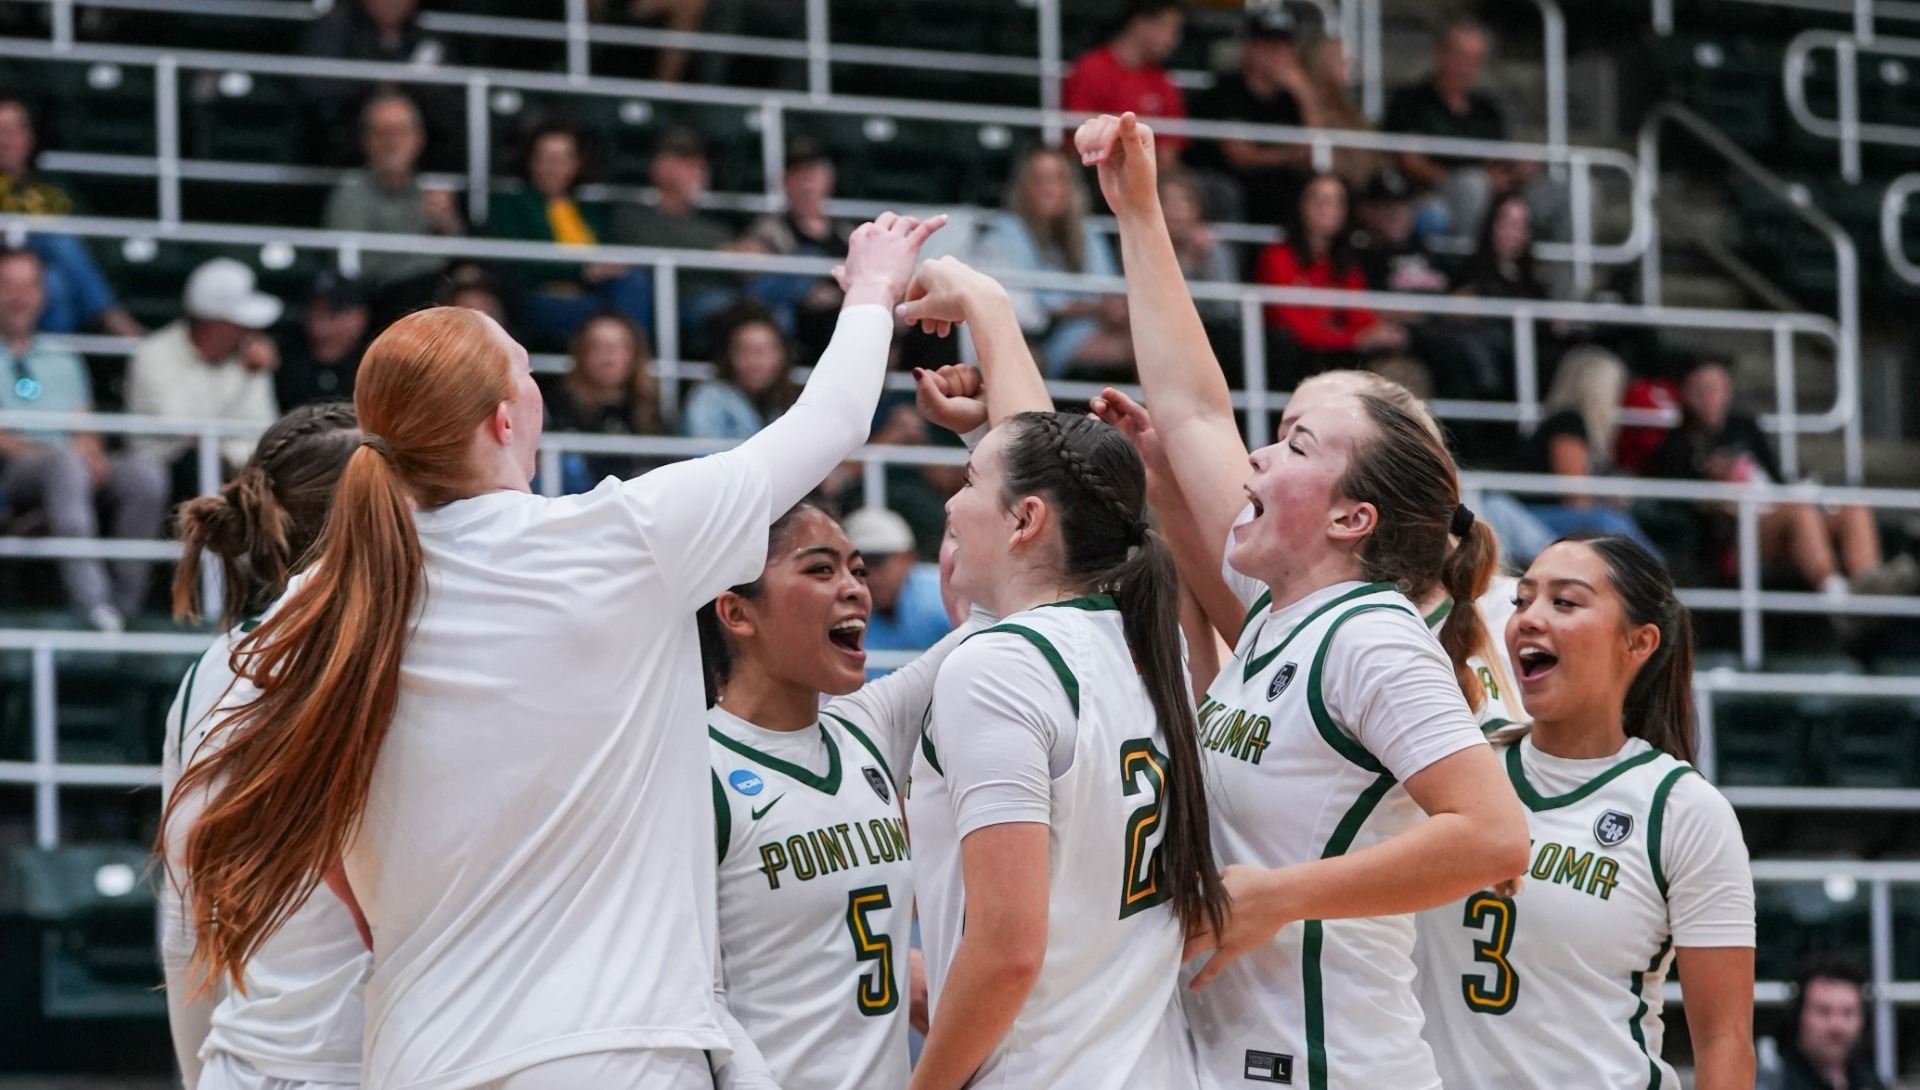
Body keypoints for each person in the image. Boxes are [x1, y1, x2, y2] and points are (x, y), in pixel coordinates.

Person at [166, 212, 941, 1090]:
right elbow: (833, 421)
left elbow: (330, 858)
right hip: (611, 1050)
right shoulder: (615, 540)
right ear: (506, 419)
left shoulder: (328, 598)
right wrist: (873, 284)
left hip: (423, 1055)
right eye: (530, 369)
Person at [1077, 111, 1529, 1090]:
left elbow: (1495, 837)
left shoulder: (1370, 638)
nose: (1260, 456)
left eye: (1294, 443)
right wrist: (1140, 211)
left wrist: (1279, 895)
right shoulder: (1283, 613)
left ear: (1351, 519)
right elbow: (1195, 408)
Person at [891, 254, 1227, 1089]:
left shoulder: (999, 666)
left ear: (1026, 521)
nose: (949, 504)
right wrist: (989, 314)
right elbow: (1044, 466)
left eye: (968, 482)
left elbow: (1007, 952)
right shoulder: (1146, 644)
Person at [1413, 533, 1757, 1090]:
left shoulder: (1682, 809)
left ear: (1638, 642)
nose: (1529, 618)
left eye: (1565, 602)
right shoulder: (1460, 771)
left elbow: (1725, 1043)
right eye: (1522, 600)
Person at [698, 500, 983, 1090]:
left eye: (857, 569)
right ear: (736, 612)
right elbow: (696, 995)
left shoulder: (864, 728)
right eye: (821, 570)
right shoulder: (697, 768)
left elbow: (1004, 617)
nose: (856, 588)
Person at [160, 402, 369, 1090]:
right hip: (376, 1061)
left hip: (245, 1061)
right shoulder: (412, 655)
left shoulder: (206, 675)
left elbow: (187, 925)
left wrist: (198, 1076)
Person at [1647, 359, 1917, 604]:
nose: (1711, 398)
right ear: (1687, 395)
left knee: (1852, 507)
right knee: (1796, 511)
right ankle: (1834, 595)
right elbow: (1679, 508)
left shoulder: (1745, 428)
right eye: (1703, 390)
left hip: (1774, 514)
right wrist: (1714, 485)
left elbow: (1775, 478)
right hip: (1731, 537)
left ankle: (1867, 584)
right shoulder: (1675, 445)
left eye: (1718, 389)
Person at [0, 247, 165, 631]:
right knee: (65, 464)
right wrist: (64, 454)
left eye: (28, 286)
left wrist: (91, 453)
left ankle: (126, 606)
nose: (19, 297)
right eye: (7, 285)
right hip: (14, 475)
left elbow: (84, 423)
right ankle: (92, 605)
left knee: (144, 476)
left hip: (69, 468)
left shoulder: (64, 357)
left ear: (43, 294)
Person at [126, 258, 283, 495]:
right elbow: (182, 430)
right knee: (196, 464)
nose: (251, 331)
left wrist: (230, 456)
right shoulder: (154, 354)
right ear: (216, 325)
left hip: (237, 470)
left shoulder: (250, 359)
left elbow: (263, 433)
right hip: (167, 470)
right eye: (241, 323)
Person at [490, 121, 654, 343]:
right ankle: (624, 351)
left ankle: (628, 353)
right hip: (542, 297)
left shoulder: (589, 209)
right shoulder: (512, 203)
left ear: (575, 164)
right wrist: (581, 271)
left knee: (633, 281)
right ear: (531, 161)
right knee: (612, 317)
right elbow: (515, 264)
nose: (552, 166)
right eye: (544, 157)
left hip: (591, 293)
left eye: (561, 159)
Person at [976, 147, 1130, 378]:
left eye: (1058, 179)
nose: (1048, 188)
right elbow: (1034, 305)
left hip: (1094, 326)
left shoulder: (1089, 231)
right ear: (1023, 187)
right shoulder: (1007, 228)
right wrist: (1097, 308)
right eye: (1039, 180)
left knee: (1151, 338)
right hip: (1040, 336)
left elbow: (1107, 290)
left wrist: (1115, 308)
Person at [0, 98, 144, 338]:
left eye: (14, 129)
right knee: (56, 238)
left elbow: (87, 248)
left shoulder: (55, 189)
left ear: (31, 137)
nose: (6, 139)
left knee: (55, 283)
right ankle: (109, 316)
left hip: (42, 280)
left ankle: (49, 365)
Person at [1383, 20, 1534, 242]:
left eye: (1475, 60)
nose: (1466, 66)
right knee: (1473, 186)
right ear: (1440, 54)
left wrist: (1517, 171)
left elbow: (1499, 160)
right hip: (1430, 193)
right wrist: (1466, 180)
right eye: (1460, 56)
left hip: (1489, 190)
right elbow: (1407, 160)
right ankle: (1463, 266)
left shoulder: (1488, 111)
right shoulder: (1409, 101)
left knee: (1562, 193)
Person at [321, 91, 464, 319]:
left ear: (419, 138)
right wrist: (428, 257)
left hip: (433, 303)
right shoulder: (350, 193)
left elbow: (457, 258)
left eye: (400, 132)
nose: (391, 143)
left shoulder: (433, 190)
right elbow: (356, 269)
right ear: (366, 141)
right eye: (382, 133)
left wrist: (448, 226)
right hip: (378, 303)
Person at [1256, 173, 1408, 383]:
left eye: (1337, 202)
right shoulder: (1277, 257)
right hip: (1297, 359)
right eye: (1321, 200)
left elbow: (1359, 314)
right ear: (1302, 205)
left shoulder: (1344, 260)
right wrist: (1352, 339)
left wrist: (1377, 332)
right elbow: (1289, 325)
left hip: (1336, 356)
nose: (1329, 210)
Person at [1183, 6, 1312, 226]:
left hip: (1279, 188)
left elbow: (1318, 149)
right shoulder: (1226, 90)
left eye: (1283, 46)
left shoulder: (1293, 98)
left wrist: (1305, 94)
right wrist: (1292, 154)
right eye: (1268, 46)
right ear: (1249, 48)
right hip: (1230, 184)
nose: (1276, 55)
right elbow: (1240, 155)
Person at [300, 0, 459, 169]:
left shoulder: (426, 36)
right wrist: (376, 84)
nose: (393, 3)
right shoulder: (334, 27)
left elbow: (449, 104)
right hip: (345, 145)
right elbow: (316, 91)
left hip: (422, 157)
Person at [744, 139, 854, 359]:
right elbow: (758, 284)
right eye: (798, 175)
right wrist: (806, 291)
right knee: (807, 259)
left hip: (839, 316)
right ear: (786, 183)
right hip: (797, 321)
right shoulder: (769, 229)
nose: (806, 183)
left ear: (827, 180)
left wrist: (837, 298)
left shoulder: (846, 233)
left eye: (812, 174)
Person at [543, 311, 664, 492]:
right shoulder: (559, 409)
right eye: (596, 345)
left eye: (618, 346)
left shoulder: (650, 413)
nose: (608, 354)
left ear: (634, 355)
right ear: (581, 353)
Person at [1061, 0, 1188, 168]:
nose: (1172, 39)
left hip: (1146, 174)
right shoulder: (1091, 68)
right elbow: (1079, 135)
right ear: (1139, 23)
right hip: (1095, 169)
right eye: (1166, 27)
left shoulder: (1163, 81)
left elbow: (1169, 151)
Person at [681, 302, 801, 440]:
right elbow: (704, 456)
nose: (757, 361)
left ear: (783, 354)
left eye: (766, 349)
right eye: (747, 350)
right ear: (728, 355)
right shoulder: (707, 399)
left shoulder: (792, 400)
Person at [842, 506, 952, 656]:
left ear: (908, 557)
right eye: (859, 565)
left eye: (877, 560)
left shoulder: (943, 596)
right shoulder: (848, 614)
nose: (870, 574)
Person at [1760, 959, 1885, 1090]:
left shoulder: (1870, 1082)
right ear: (1798, 1016)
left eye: (1848, 1013)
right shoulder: (1774, 1081)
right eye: (1824, 1012)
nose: (1837, 1026)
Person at [1299, 32, 1385, 190]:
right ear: (1320, 64)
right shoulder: (1301, 102)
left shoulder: (1347, 109)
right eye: (1339, 60)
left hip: (1360, 187)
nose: (1347, 65)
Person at [275, 270, 371, 411]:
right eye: (313, 312)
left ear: (359, 317)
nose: (320, 326)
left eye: (333, 314)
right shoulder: (283, 360)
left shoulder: (376, 367)